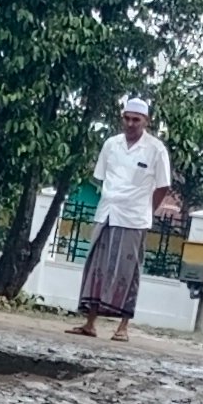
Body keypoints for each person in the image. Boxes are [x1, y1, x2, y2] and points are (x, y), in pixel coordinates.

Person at [72, 94, 179, 340]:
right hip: (107, 213)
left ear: (146, 121)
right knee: (97, 267)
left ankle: (122, 327)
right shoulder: (111, 144)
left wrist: (147, 210)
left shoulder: (155, 149)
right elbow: (102, 177)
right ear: (123, 119)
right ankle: (90, 322)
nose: (131, 124)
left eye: (136, 120)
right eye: (127, 119)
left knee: (128, 271)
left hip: (135, 218)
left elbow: (163, 186)